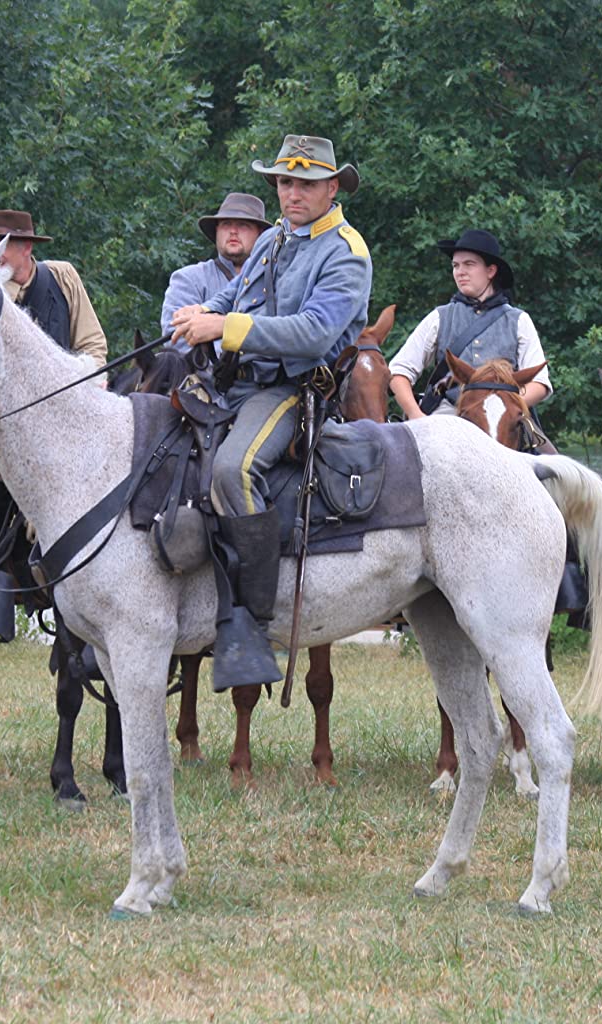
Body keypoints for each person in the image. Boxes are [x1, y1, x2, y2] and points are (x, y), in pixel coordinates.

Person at [171, 134, 372, 689]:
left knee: (234, 470)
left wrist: (224, 328)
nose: (293, 193)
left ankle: (251, 625)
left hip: (292, 389)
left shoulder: (346, 252)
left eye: (306, 183)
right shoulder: (276, 238)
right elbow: (236, 294)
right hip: (233, 381)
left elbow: (312, 335)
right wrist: (201, 313)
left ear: (332, 187)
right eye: (285, 182)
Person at [0, 210, 109, 641]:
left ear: (26, 248)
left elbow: (95, 348)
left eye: (0, 245)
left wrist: (74, 388)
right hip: (0, 417)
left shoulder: (63, 278)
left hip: (64, 410)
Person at [388, 228, 551, 418]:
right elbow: (398, 372)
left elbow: (540, 383)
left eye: (469, 264)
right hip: (449, 415)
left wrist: (503, 407)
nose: (460, 272)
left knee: (547, 449)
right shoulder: (439, 317)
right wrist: (417, 416)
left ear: (491, 271)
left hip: (505, 418)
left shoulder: (519, 320)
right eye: (456, 265)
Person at [159, 192, 272, 338]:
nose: (233, 231)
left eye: (243, 225)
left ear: (261, 234)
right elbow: (176, 338)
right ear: (217, 231)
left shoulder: (275, 279)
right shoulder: (189, 279)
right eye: (226, 224)